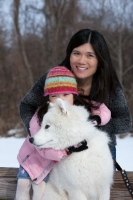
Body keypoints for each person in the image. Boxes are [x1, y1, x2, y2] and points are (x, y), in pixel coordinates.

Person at [20, 29, 132, 161]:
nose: (82, 61)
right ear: (69, 54)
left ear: (100, 59)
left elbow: (125, 122)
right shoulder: (54, 78)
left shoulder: (109, 86)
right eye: (77, 53)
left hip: (99, 151)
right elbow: (27, 105)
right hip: (57, 151)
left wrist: (91, 126)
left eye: (90, 55)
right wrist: (37, 130)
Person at [16, 66, 111, 200]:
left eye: (66, 94)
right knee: (27, 187)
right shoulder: (42, 115)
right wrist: (65, 151)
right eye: (54, 96)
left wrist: (97, 118)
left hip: (63, 164)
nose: (61, 99)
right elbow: (40, 145)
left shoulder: (79, 106)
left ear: (74, 94)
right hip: (34, 160)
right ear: (49, 97)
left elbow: (103, 109)